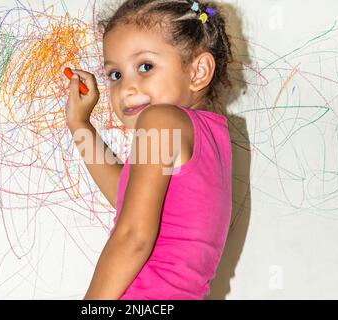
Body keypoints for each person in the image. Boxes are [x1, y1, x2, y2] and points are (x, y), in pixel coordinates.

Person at [66, 0, 233, 300]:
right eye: (115, 75)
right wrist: (81, 126)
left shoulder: (159, 121)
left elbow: (133, 237)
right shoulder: (210, 135)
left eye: (145, 67)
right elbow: (128, 193)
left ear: (199, 71)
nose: (126, 88)